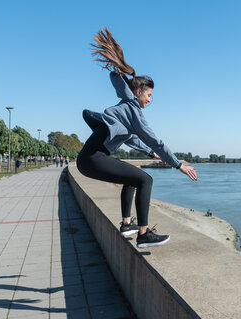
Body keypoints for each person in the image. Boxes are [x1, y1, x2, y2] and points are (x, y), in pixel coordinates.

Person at [77, 27, 197, 249]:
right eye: (149, 95)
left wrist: (152, 154)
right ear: (139, 91)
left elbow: (131, 140)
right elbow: (155, 140)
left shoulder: (124, 106)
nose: (150, 100)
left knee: (132, 179)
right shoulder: (132, 109)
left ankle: (126, 224)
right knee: (145, 180)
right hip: (93, 157)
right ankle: (143, 234)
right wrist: (178, 164)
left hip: (88, 158)